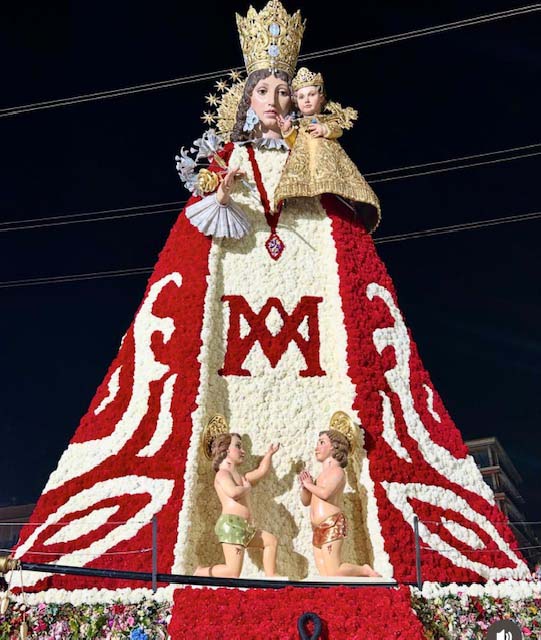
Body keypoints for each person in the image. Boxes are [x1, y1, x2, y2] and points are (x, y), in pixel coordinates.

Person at [273, 66, 380, 222]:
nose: (306, 100)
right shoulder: (298, 125)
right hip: (304, 168)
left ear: (321, 97)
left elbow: (337, 130)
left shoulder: (326, 119)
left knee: (333, 201)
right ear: (296, 101)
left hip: (328, 165)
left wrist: (324, 129)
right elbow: (295, 144)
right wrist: (287, 131)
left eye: (311, 95)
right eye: (301, 97)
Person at [194, 433, 280, 578]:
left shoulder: (241, 478)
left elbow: (261, 471)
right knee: (233, 572)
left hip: (245, 527)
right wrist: (246, 488)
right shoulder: (222, 474)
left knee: (270, 541)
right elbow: (233, 492)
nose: (243, 451)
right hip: (232, 525)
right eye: (238, 446)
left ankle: (271, 576)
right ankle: (200, 572)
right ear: (226, 449)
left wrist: (269, 454)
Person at [299, 430, 380, 577]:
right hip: (317, 528)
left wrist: (309, 485)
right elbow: (306, 501)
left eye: (322, 442)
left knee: (334, 570)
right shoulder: (319, 477)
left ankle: (364, 570)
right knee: (324, 573)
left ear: (334, 446)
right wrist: (305, 487)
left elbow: (325, 493)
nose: (317, 447)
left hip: (331, 524)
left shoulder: (337, 472)